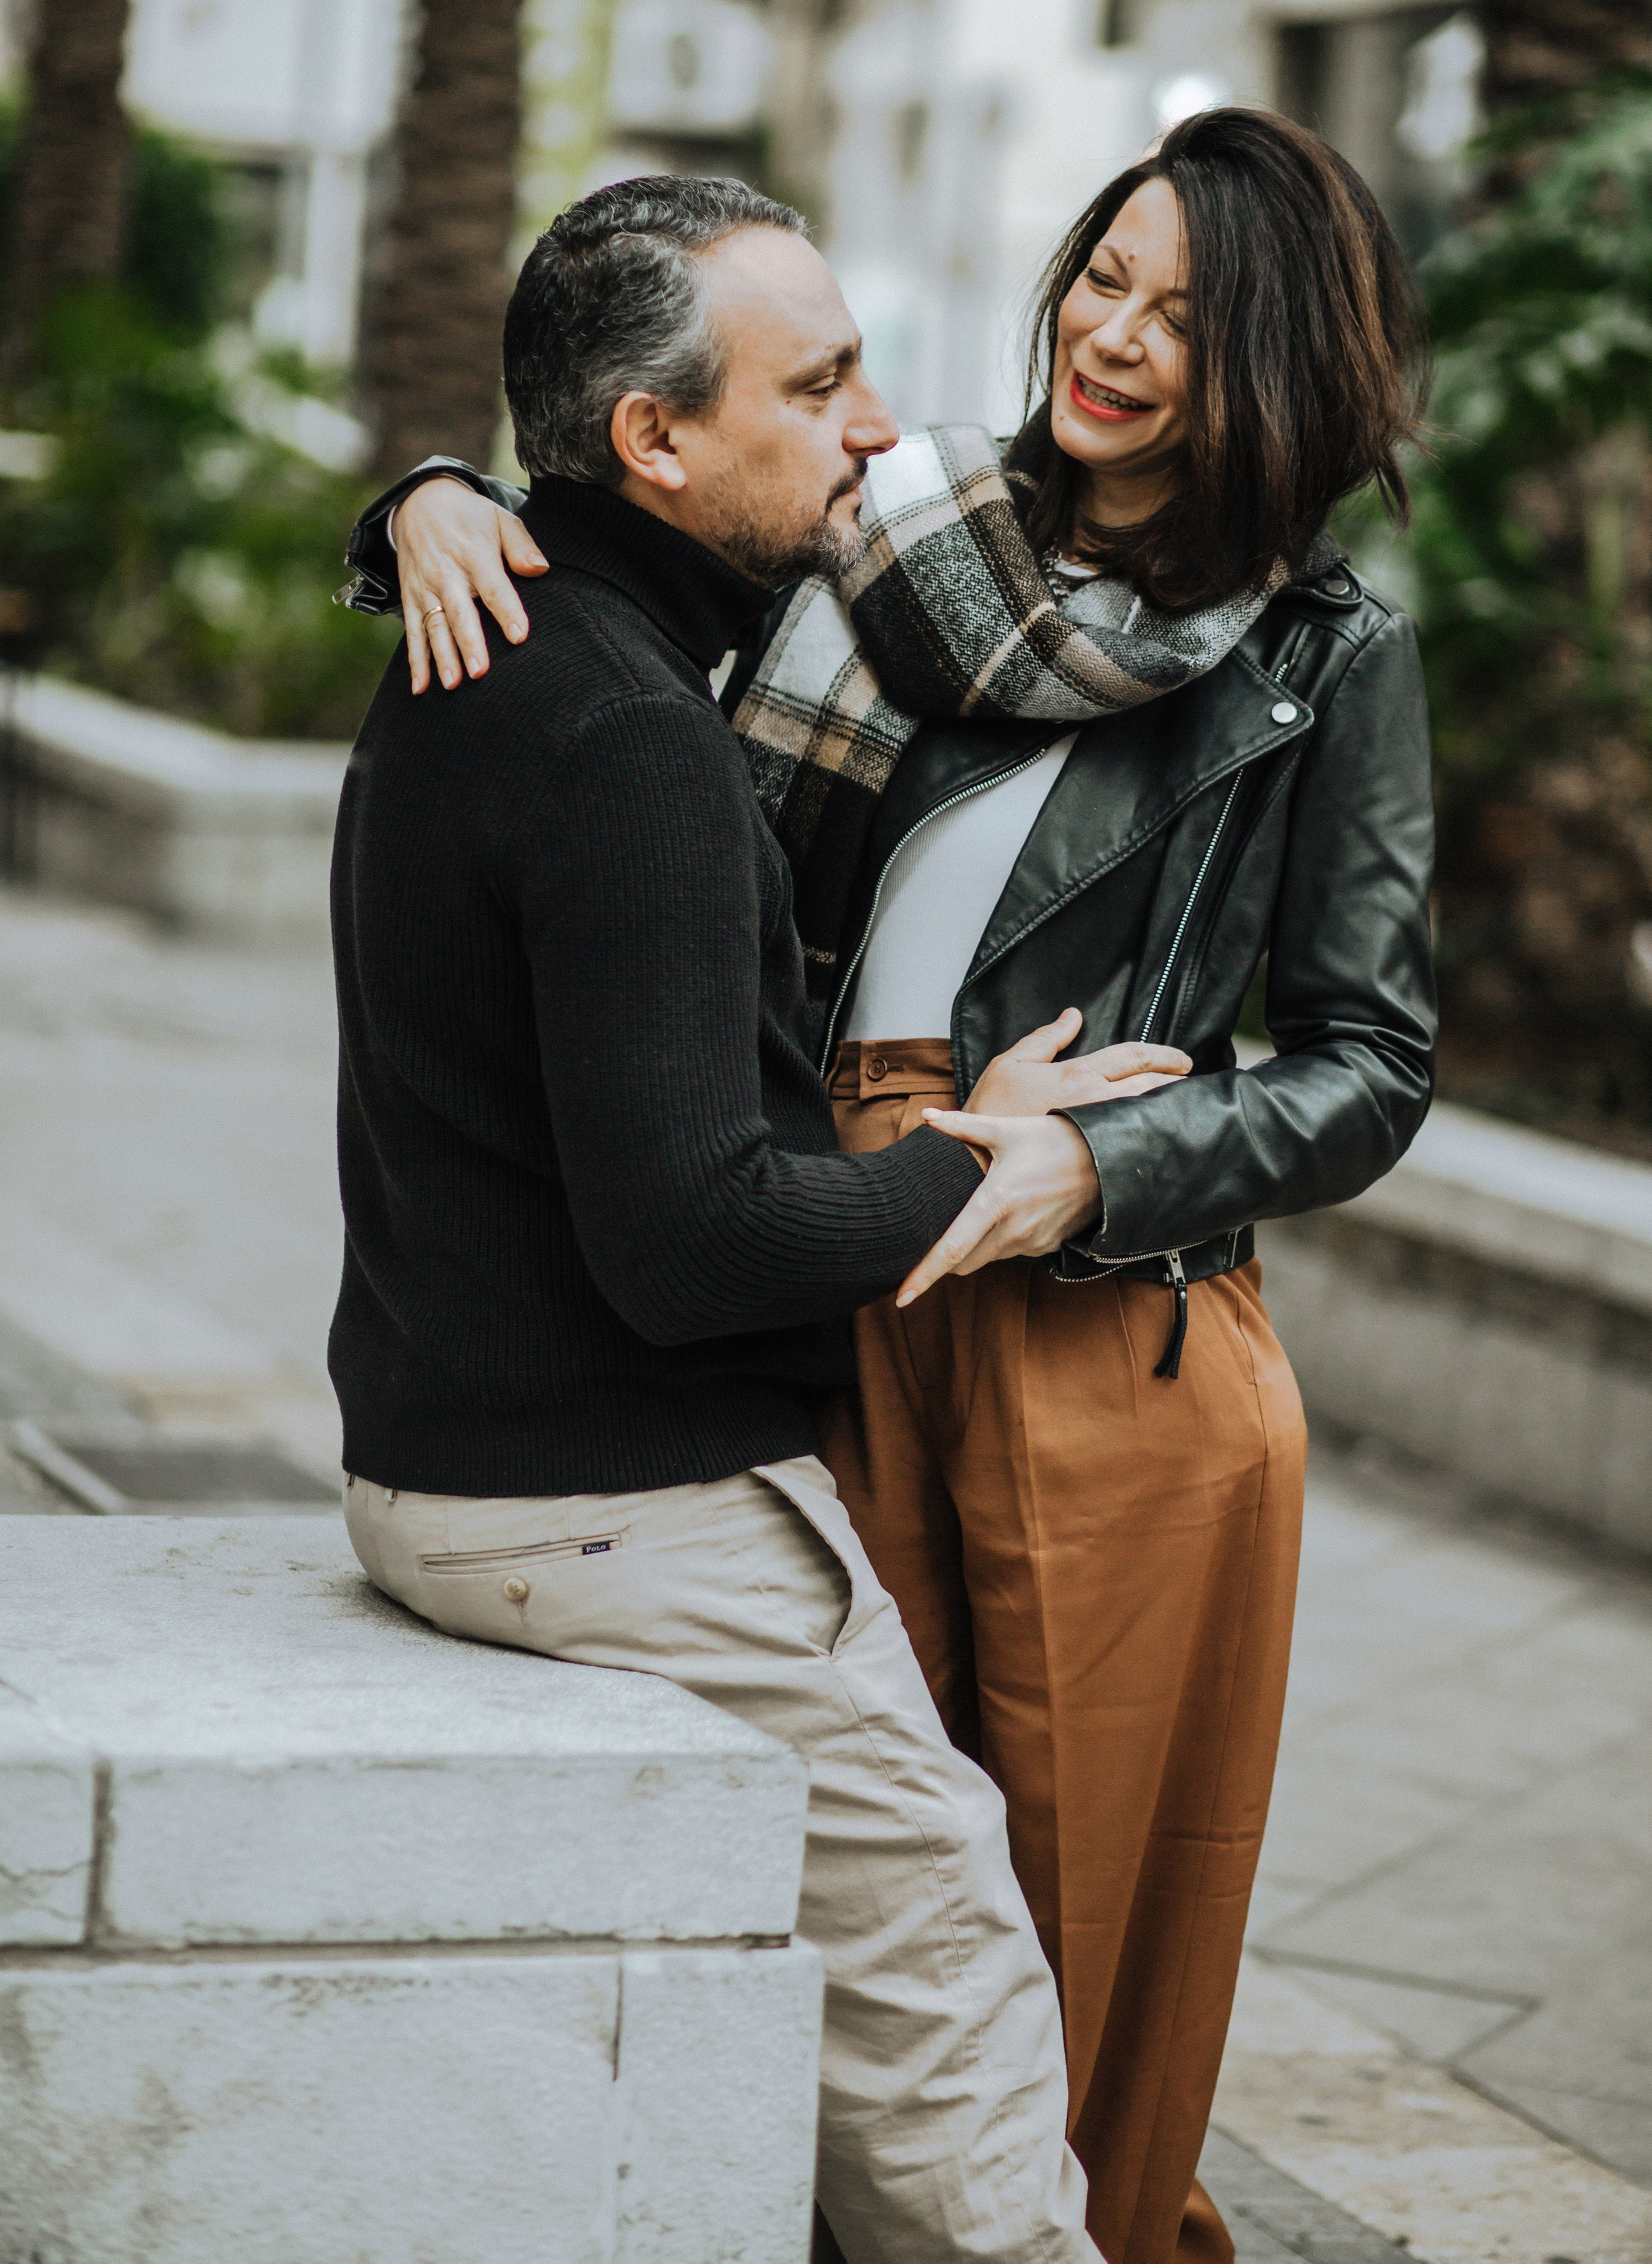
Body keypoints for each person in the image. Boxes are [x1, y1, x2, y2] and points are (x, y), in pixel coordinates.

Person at [350, 109, 1437, 2264]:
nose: (1111, 339)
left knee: (1072, 1898)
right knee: (854, 1887)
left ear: (1282, 359)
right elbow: (629, 534)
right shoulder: (891, 519)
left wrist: (1088, 1164)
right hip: (822, 1266)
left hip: (1091, 1303)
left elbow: (1372, 1061)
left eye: (1185, 317)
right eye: (1102, 275)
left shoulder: (1326, 658)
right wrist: (426, 500)